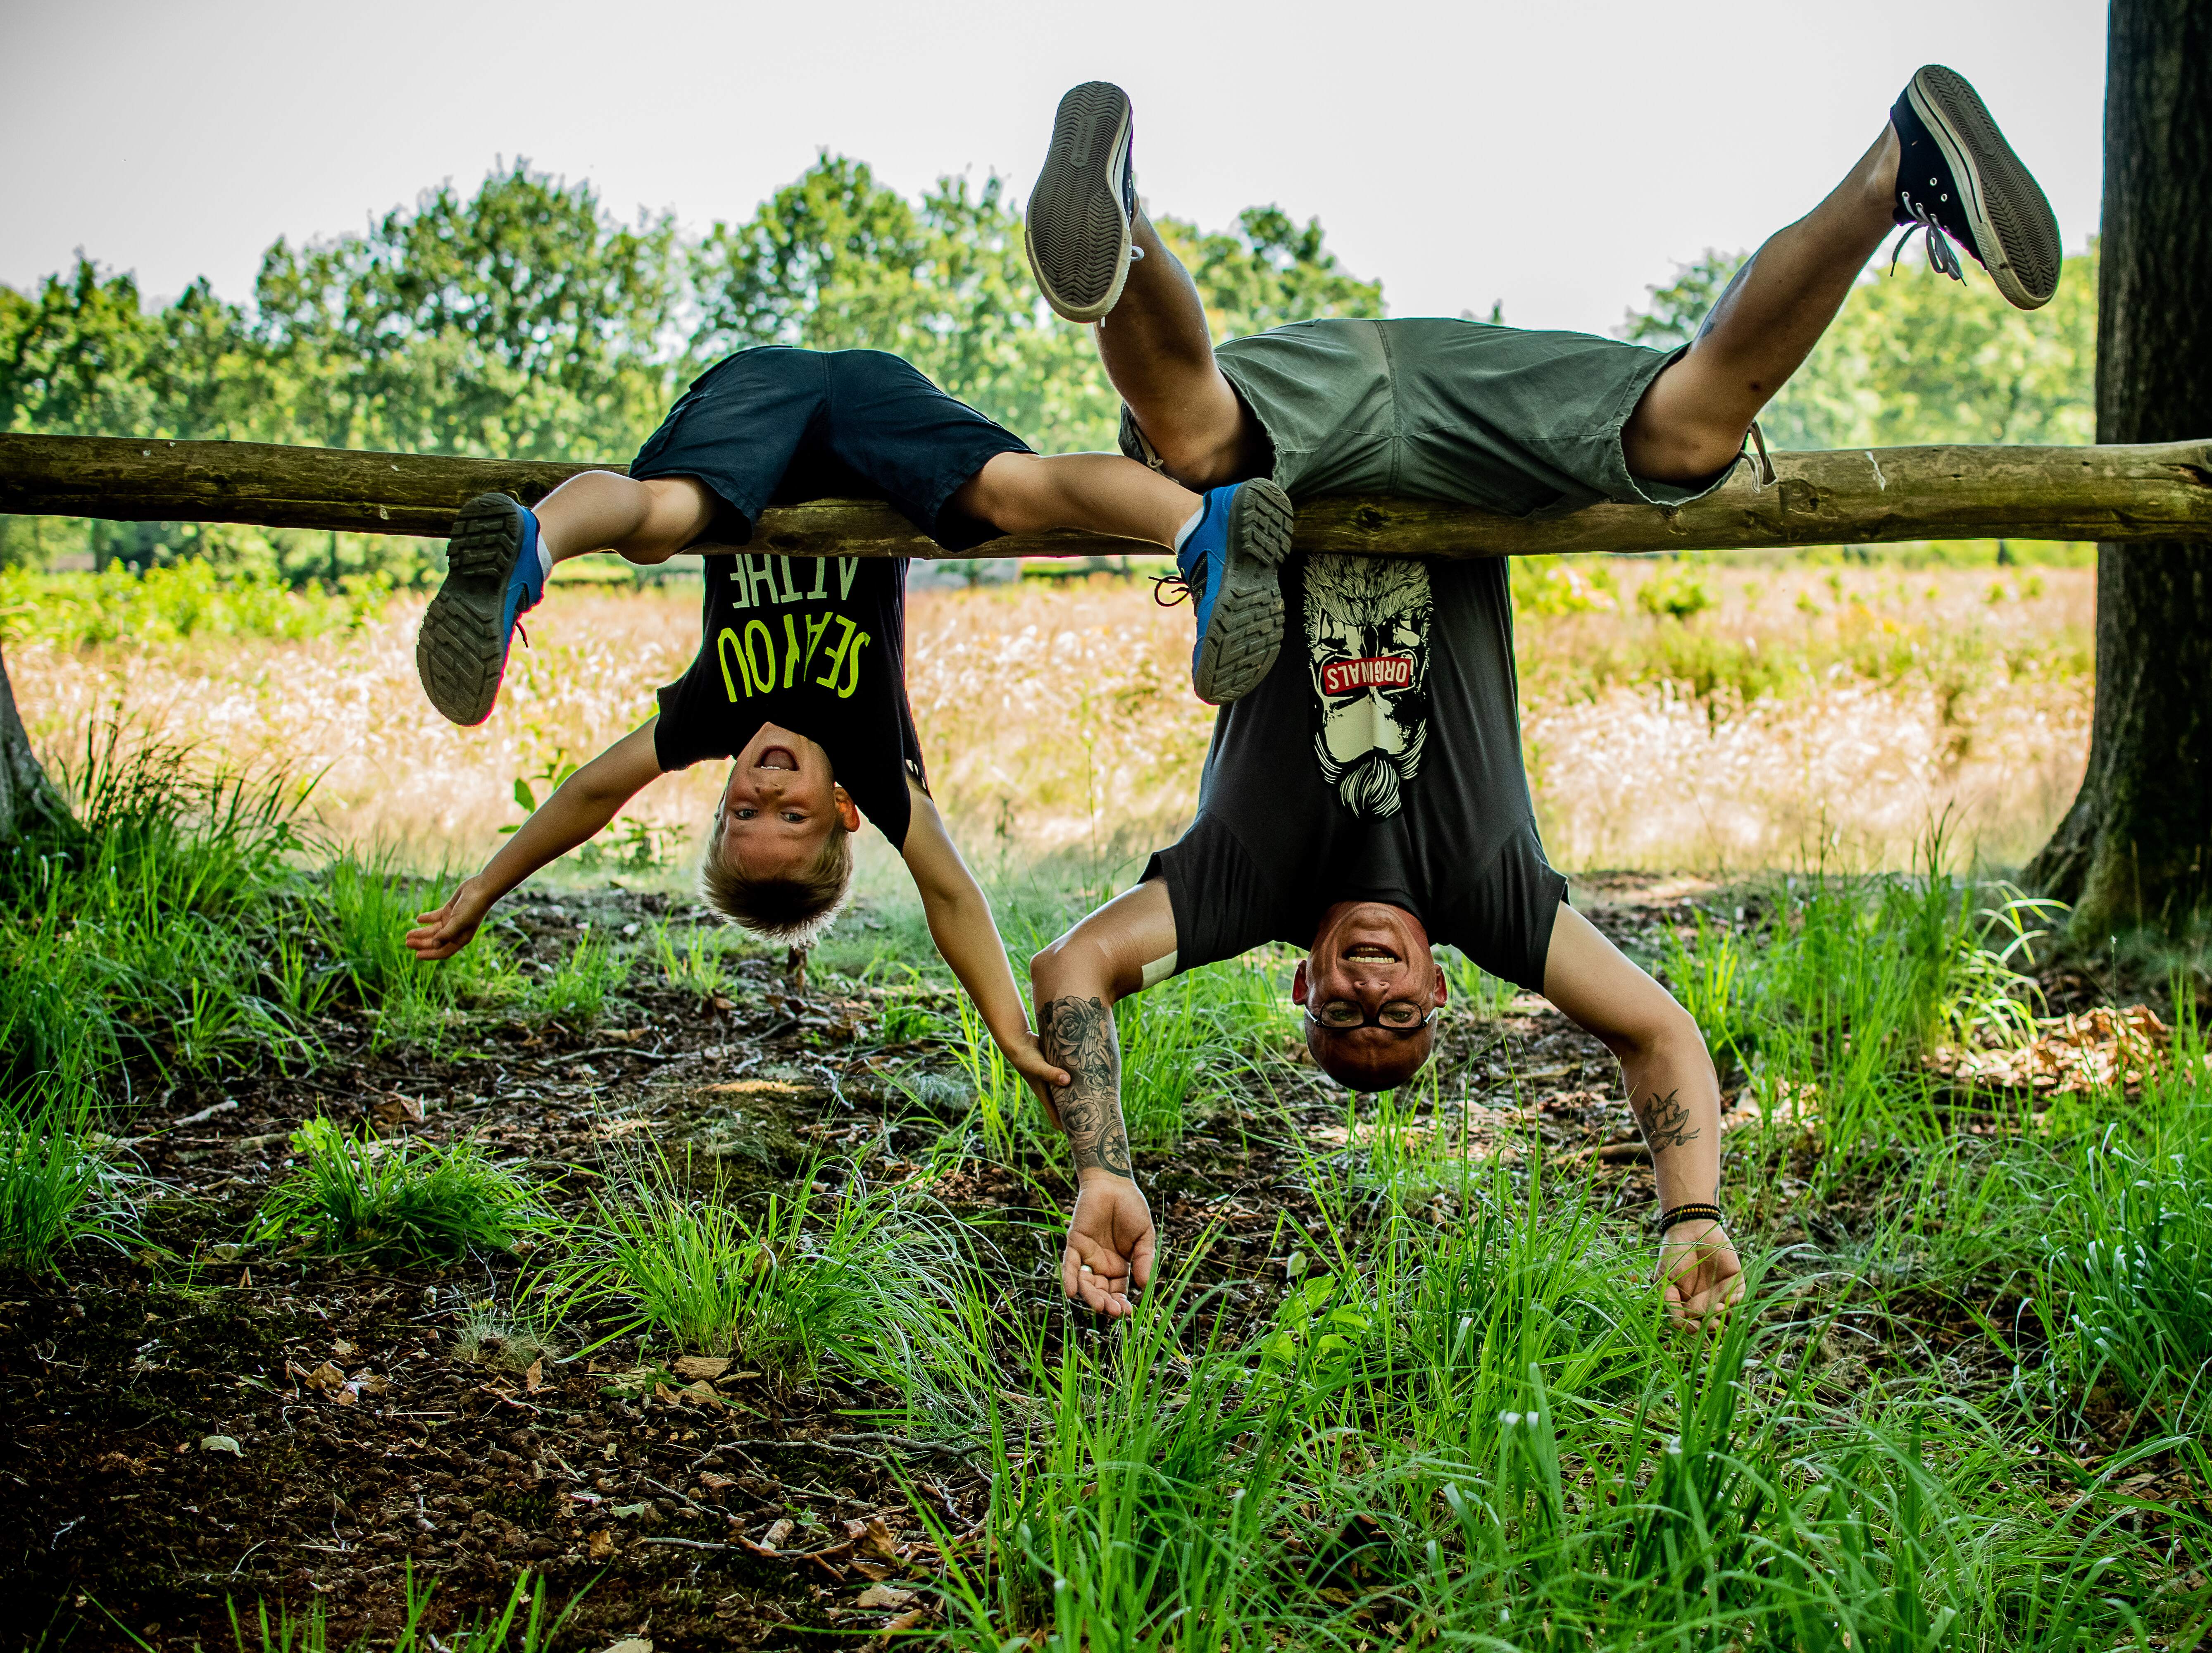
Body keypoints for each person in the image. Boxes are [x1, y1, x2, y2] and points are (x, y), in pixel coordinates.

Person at [1017, 69, 2058, 1324]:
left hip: (1294, 434)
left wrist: (1103, 1168)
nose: (1370, 997)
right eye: (1397, 1021)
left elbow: (1073, 965)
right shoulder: (1494, 902)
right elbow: (1660, 1033)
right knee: (1687, 438)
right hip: (1480, 435)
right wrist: (1691, 1214)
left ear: (1299, 987)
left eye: (1343, 1017)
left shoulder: (1243, 889)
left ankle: (1121, 217)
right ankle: (1900, 166)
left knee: (1191, 441)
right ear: (1443, 991)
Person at [402, 344, 1295, 1088]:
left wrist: (487, 886)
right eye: (790, 818)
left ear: (722, 796)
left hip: (758, 392)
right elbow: (951, 895)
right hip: (874, 409)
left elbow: (594, 793)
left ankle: (534, 544)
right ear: (843, 810)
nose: (764, 790)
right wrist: (1010, 1032)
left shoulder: (715, 711)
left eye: (741, 811)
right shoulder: (871, 756)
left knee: (663, 519)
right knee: (1009, 496)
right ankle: (1201, 530)